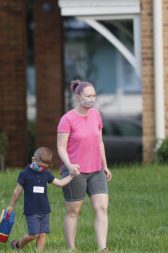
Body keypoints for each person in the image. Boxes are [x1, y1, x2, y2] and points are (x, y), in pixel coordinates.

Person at [57, 80, 112, 252]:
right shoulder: (67, 119)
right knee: (73, 211)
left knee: (102, 207)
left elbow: (100, 141)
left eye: (94, 95)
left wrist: (105, 165)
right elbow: (61, 147)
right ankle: (71, 248)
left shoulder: (96, 115)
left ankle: (102, 248)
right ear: (78, 97)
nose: (91, 99)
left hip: (96, 170)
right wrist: (69, 165)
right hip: (75, 172)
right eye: (88, 96)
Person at [7, 147, 78, 251]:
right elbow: (17, 191)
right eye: (40, 166)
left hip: (44, 210)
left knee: (42, 234)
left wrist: (71, 176)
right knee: (33, 234)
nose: (42, 169)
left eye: (45, 167)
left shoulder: (46, 173)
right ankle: (17, 245)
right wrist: (11, 205)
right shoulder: (24, 174)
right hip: (31, 211)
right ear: (33, 160)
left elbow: (60, 183)